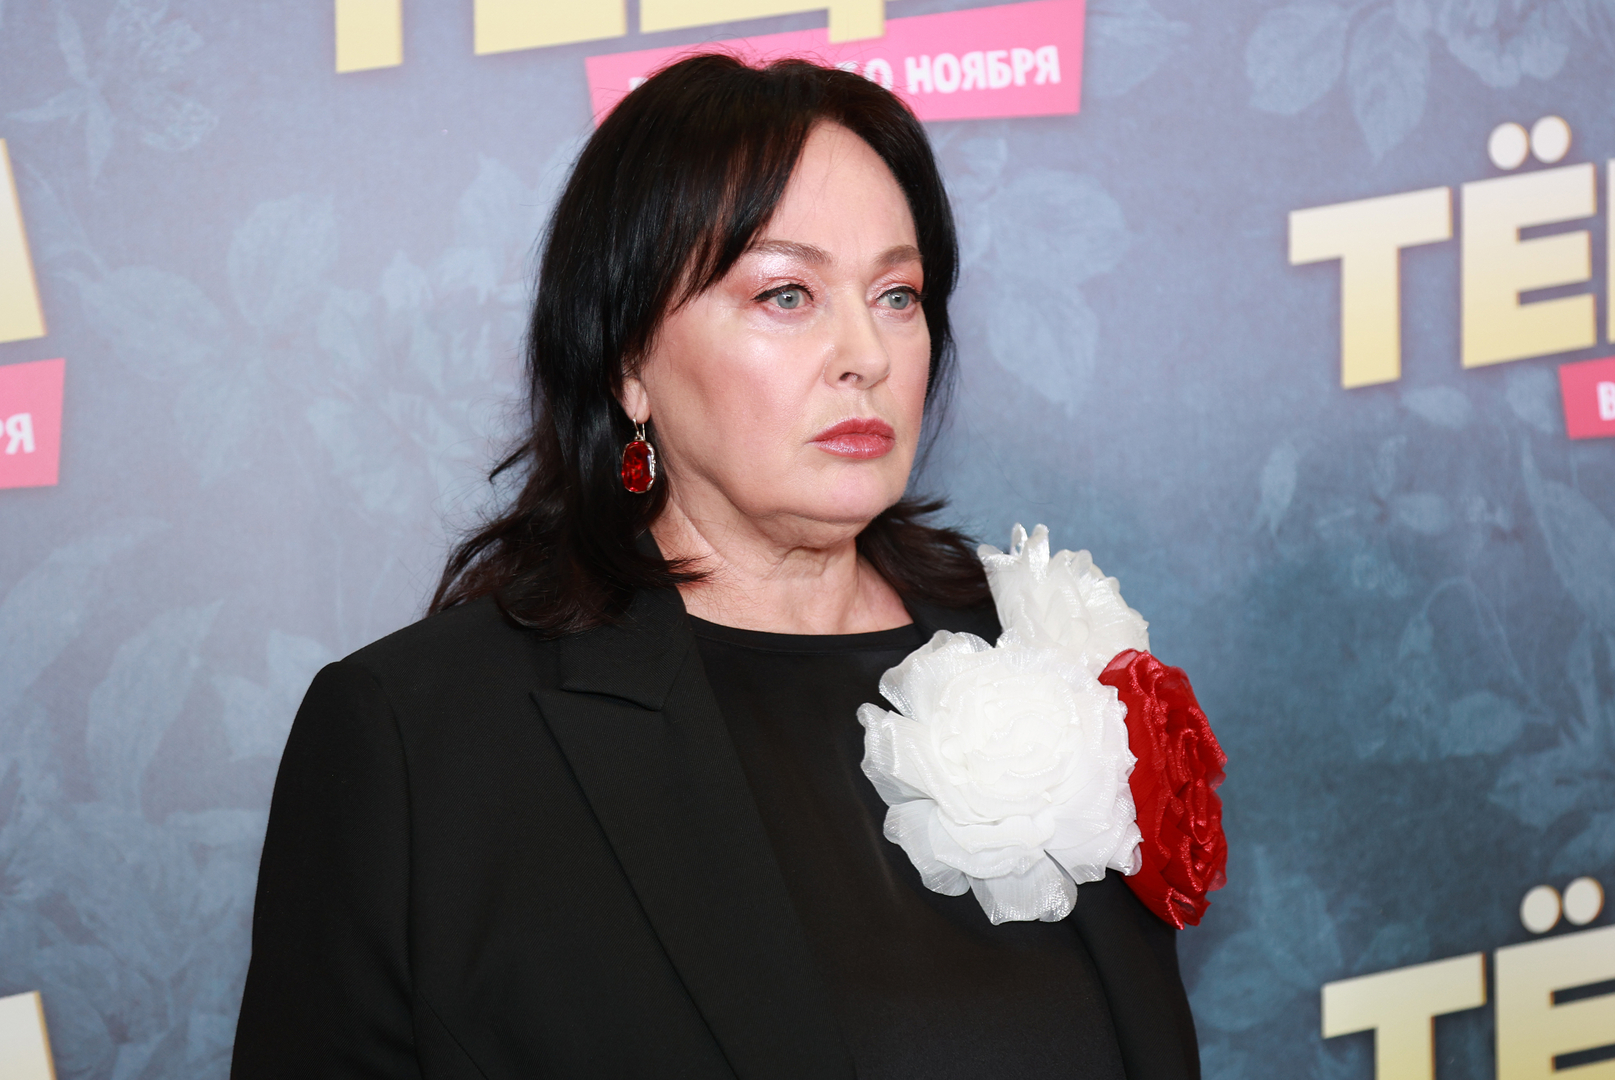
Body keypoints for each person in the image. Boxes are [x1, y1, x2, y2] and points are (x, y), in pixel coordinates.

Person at [230, 54, 1201, 1079]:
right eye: (786, 293)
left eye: (897, 294)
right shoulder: (423, 740)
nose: (866, 353)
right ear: (628, 361)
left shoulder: (1041, 649)